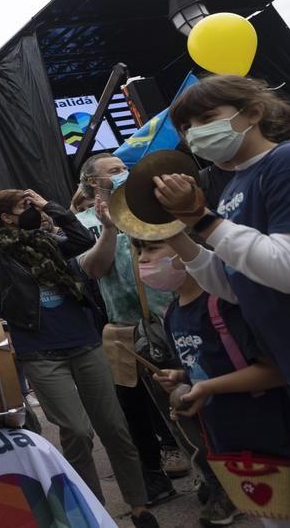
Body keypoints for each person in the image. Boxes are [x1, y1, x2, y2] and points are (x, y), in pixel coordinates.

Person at [156, 74, 290, 461]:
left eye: (207, 118)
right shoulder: (234, 187)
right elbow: (236, 285)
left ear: (253, 112)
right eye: (187, 127)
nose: (195, 133)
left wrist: (202, 219)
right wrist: (180, 228)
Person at [0, 161, 159, 527]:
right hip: (41, 353)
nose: (32, 211)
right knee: (77, 432)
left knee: (115, 428)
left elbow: (83, 241)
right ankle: (92, 512)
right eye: (24, 207)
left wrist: (47, 206)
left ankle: (139, 506)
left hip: (84, 342)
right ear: (7, 219)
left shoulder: (52, 242)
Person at [141, 235, 290, 525]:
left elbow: (276, 371)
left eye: (152, 248)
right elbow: (208, 363)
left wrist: (208, 387)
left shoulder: (225, 302)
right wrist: (183, 376)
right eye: (139, 250)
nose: (142, 259)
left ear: (186, 248)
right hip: (240, 450)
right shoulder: (173, 315)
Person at [76, 154, 190, 499]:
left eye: (124, 168)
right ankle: (161, 475)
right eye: (114, 171)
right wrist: (109, 228)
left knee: (192, 397)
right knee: (147, 408)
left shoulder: (149, 206)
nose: (124, 173)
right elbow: (93, 269)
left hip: (174, 315)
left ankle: (215, 472)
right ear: (94, 183)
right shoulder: (83, 222)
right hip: (128, 331)